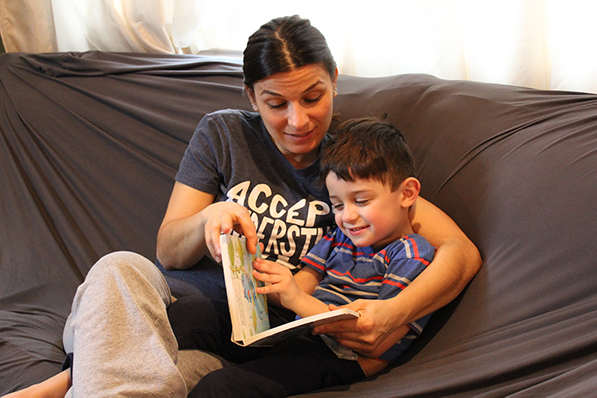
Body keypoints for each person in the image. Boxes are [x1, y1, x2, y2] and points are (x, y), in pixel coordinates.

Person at [3, 15, 481, 397]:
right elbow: (168, 252)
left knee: (183, 372)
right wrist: (208, 218)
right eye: (276, 104)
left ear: (334, 80)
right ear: (251, 96)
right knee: (117, 271)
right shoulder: (224, 133)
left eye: (313, 97)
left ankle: (75, 378)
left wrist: (395, 313)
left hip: (271, 332)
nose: (299, 121)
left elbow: (459, 251)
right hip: (196, 304)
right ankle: (80, 372)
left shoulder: (351, 165)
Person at [167, 117, 437, 397]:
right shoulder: (340, 237)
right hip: (297, 332)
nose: (348, 216)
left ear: (407, 193)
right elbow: (303, 284)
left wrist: (296, 299)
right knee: (187, 314)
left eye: (361, 201)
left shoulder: (412, 254)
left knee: (220, 387)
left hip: (341, 357)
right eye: (338, 205)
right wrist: (262, 277)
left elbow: (375, 340)